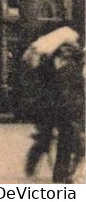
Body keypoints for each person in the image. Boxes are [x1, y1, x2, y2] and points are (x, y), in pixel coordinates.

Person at [26, 36, 84, 182]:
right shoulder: (47, 65)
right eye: (64, 50)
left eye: (69, 51)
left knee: (67, 142)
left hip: (68, 109)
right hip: (50, 108)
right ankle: (32, 165)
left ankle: (62, 175)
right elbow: (38, 81)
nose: (66, 53)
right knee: (45, 139)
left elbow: (78, 89)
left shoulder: (75, 67)